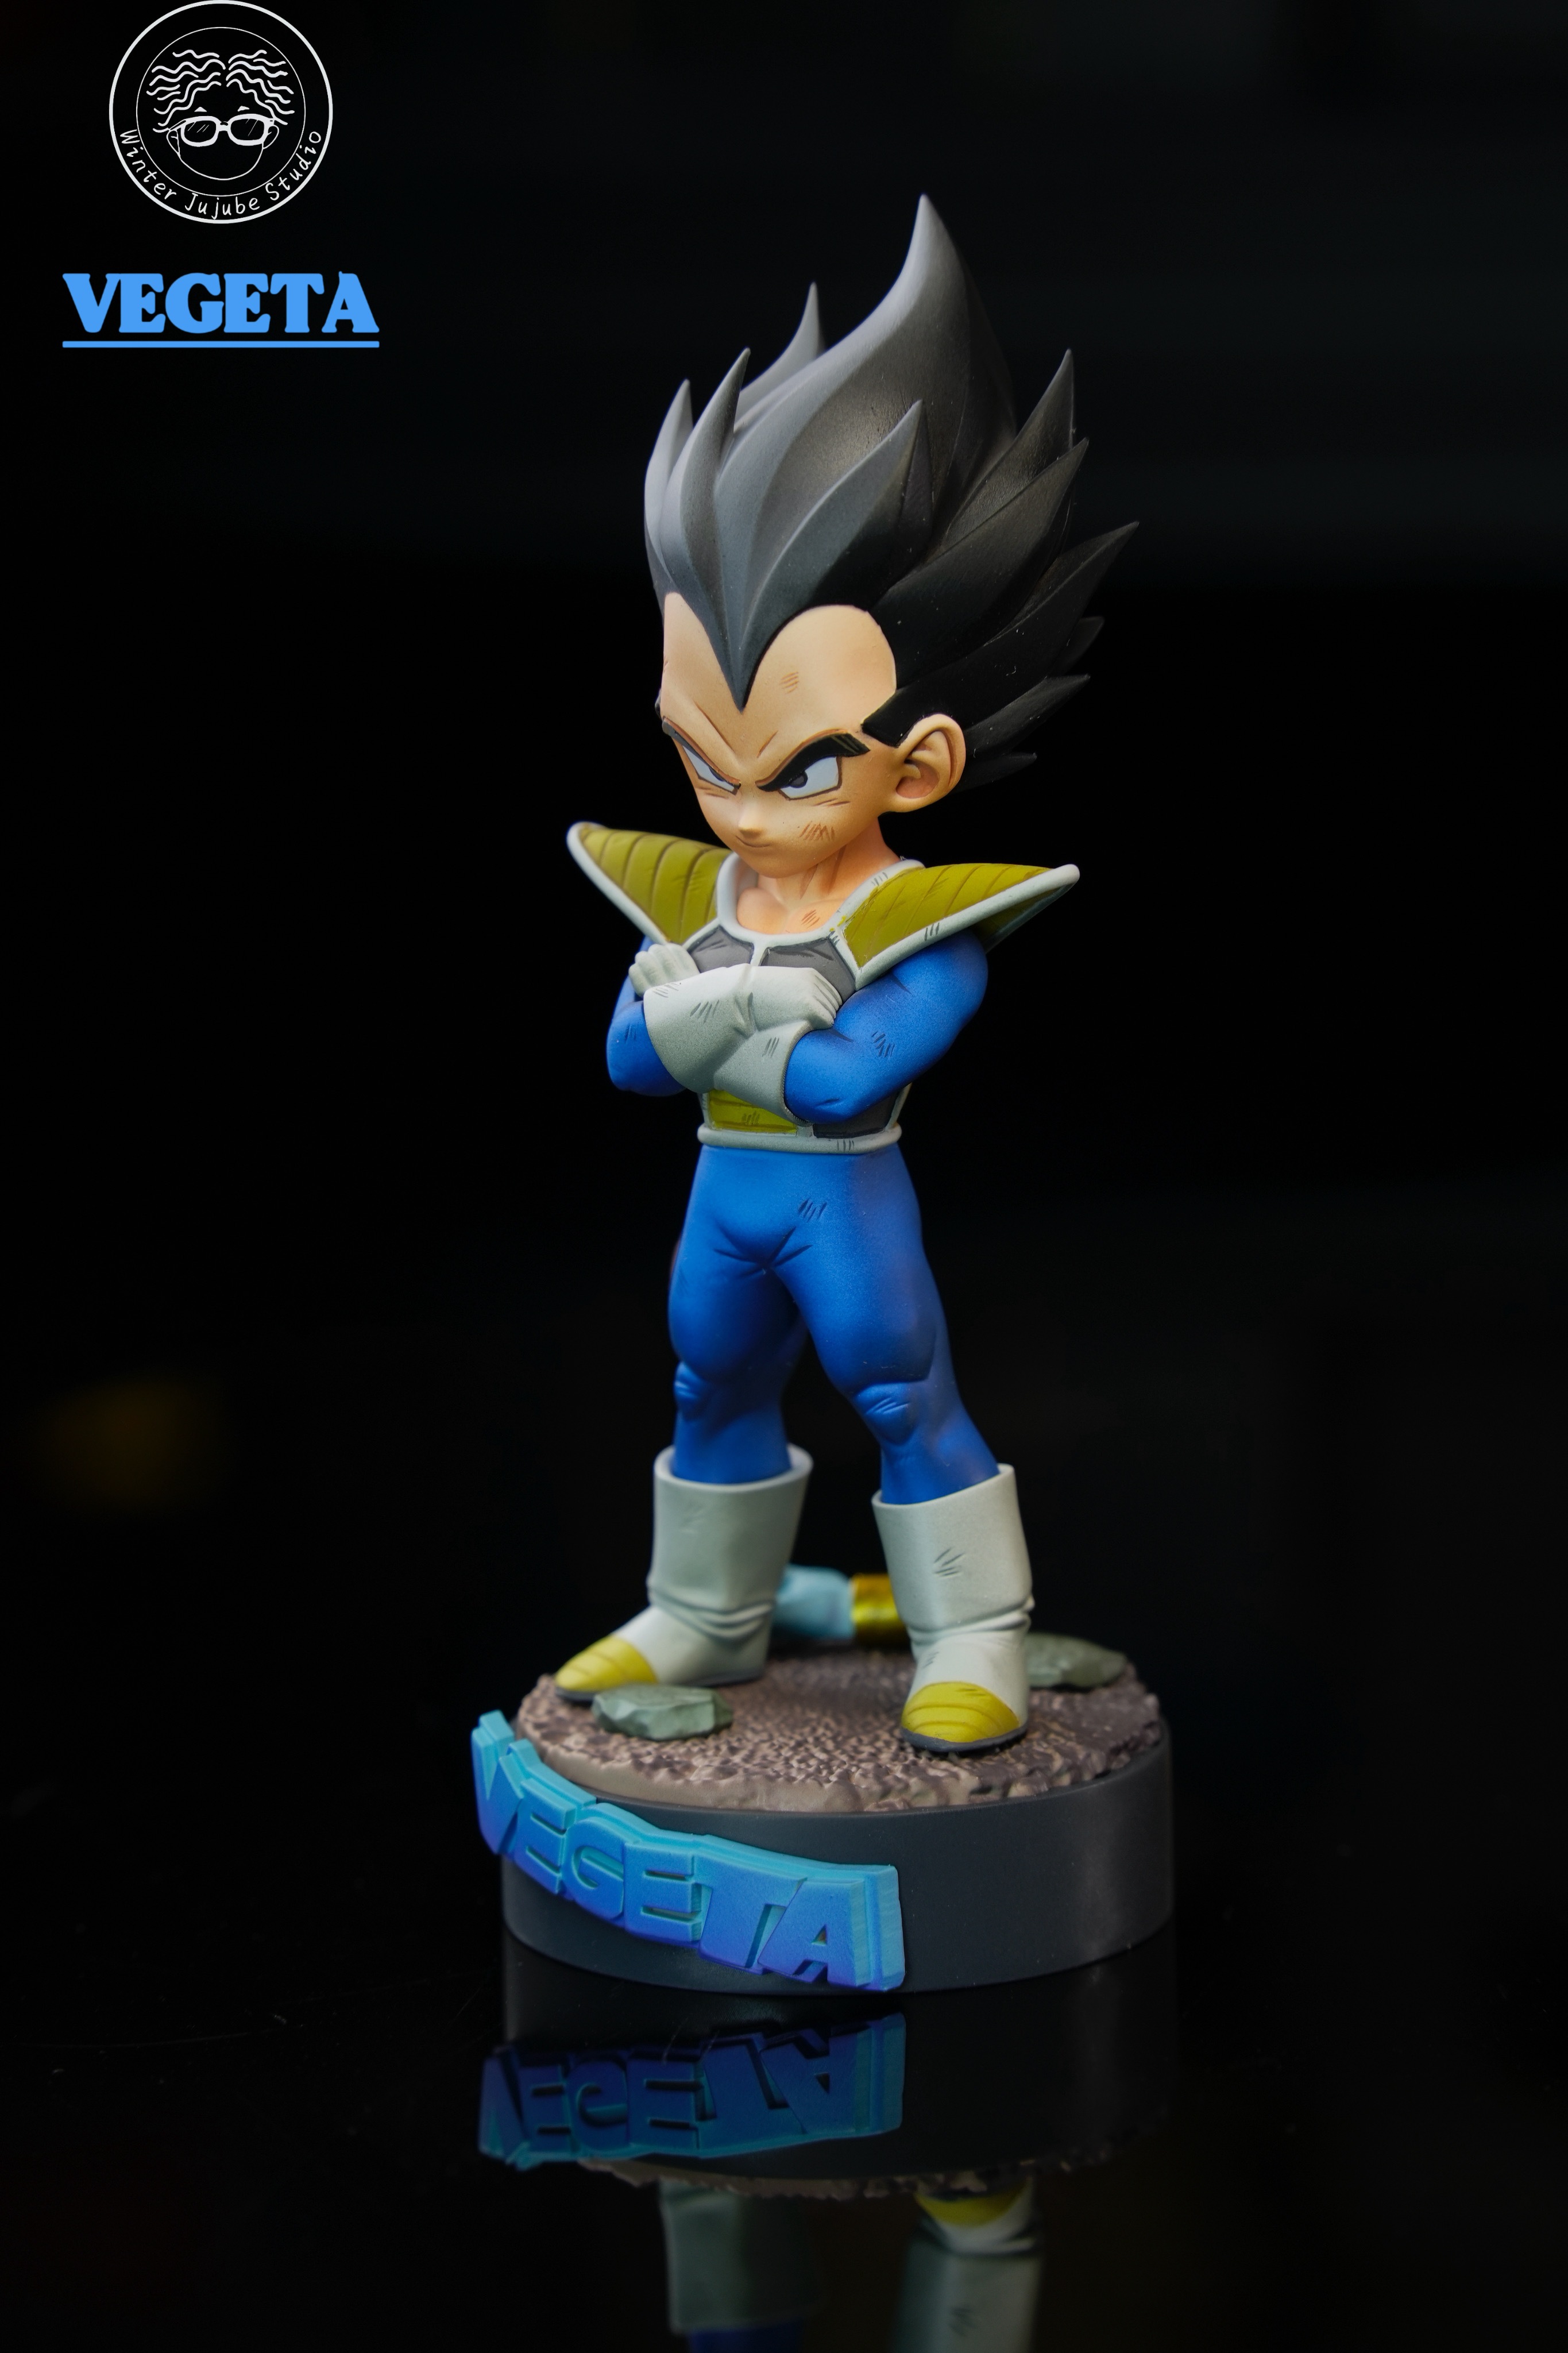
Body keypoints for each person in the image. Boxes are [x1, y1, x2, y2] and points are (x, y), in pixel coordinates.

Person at [555, 199, 1132, 1754]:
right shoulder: (690, 886)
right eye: (703, 756)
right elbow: (627, 1061)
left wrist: (704, 1009)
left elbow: (845, 1078)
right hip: (726, 1192)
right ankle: (707, 1609)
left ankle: (972, 1630)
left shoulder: (919, 925)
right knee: (704, 1387)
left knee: (897, 1394)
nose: (742, 810)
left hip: (841, 1202)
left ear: (921, 762)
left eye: (796, 765)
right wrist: (739, 1012)